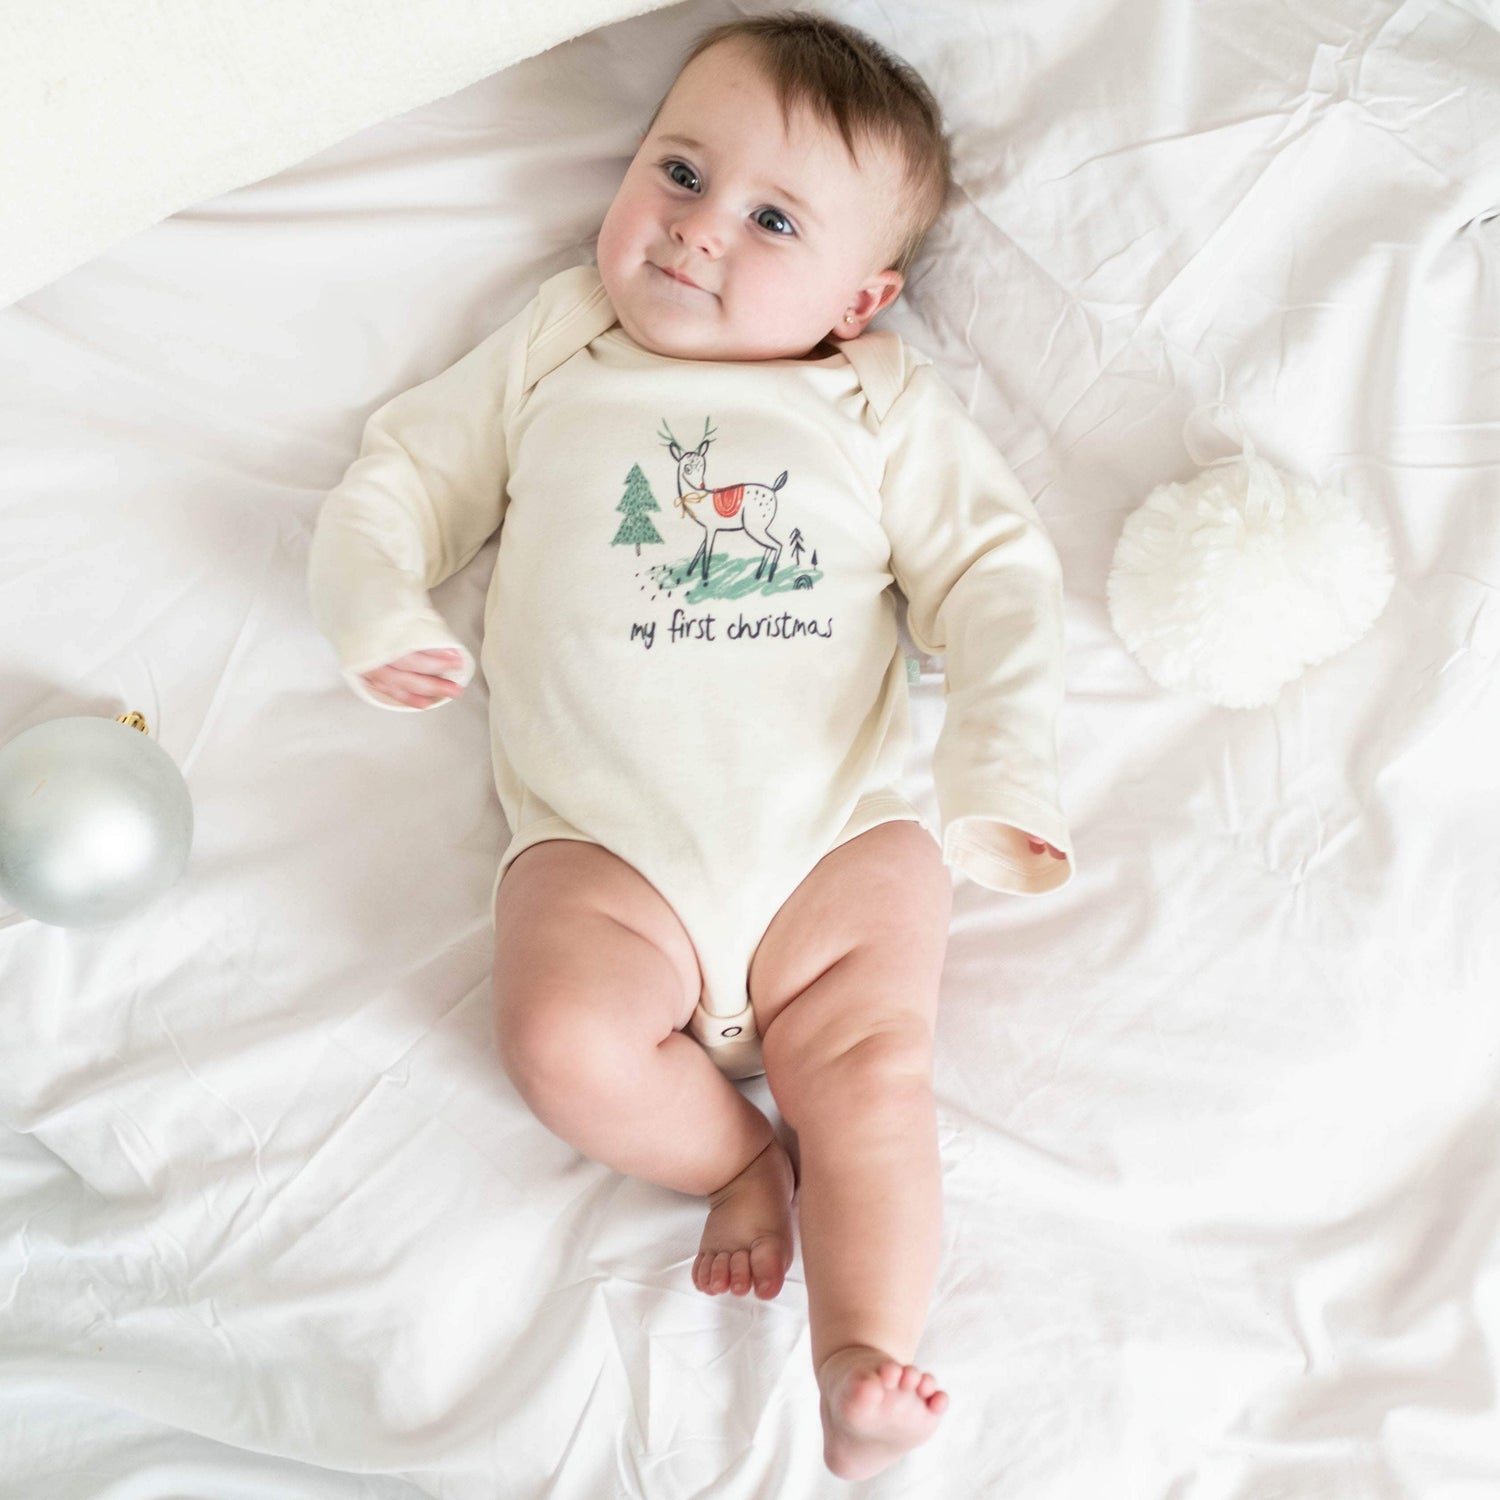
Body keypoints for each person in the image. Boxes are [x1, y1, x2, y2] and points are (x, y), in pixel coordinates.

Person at [308, 12, 1072, 1481]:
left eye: (773, 219)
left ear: (862, 297)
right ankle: (735, 1158)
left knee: (876, 1076)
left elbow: (997, 577)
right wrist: (377, 606)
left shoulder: (877, 401)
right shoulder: (554, 348)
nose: (699, 227)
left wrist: (1000, 766)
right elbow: (396, 481)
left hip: (835, 841)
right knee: (560, 1039)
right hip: (609, 852)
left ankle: (858, 1357)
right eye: (679, 171)